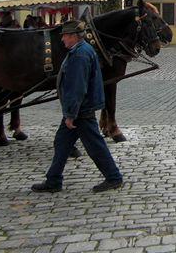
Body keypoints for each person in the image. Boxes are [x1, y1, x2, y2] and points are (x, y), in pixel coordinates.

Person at [31, 20, 123, 193]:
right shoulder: (83, 50)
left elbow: (77, 88)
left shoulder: (79, 55)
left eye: (65, 36)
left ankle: (114, 177)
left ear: (74, 36)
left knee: (95, 145)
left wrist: (71, 115)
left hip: (81, 110)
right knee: (61, 142)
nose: (62, 39)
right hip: (79, 109)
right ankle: (53, 180)